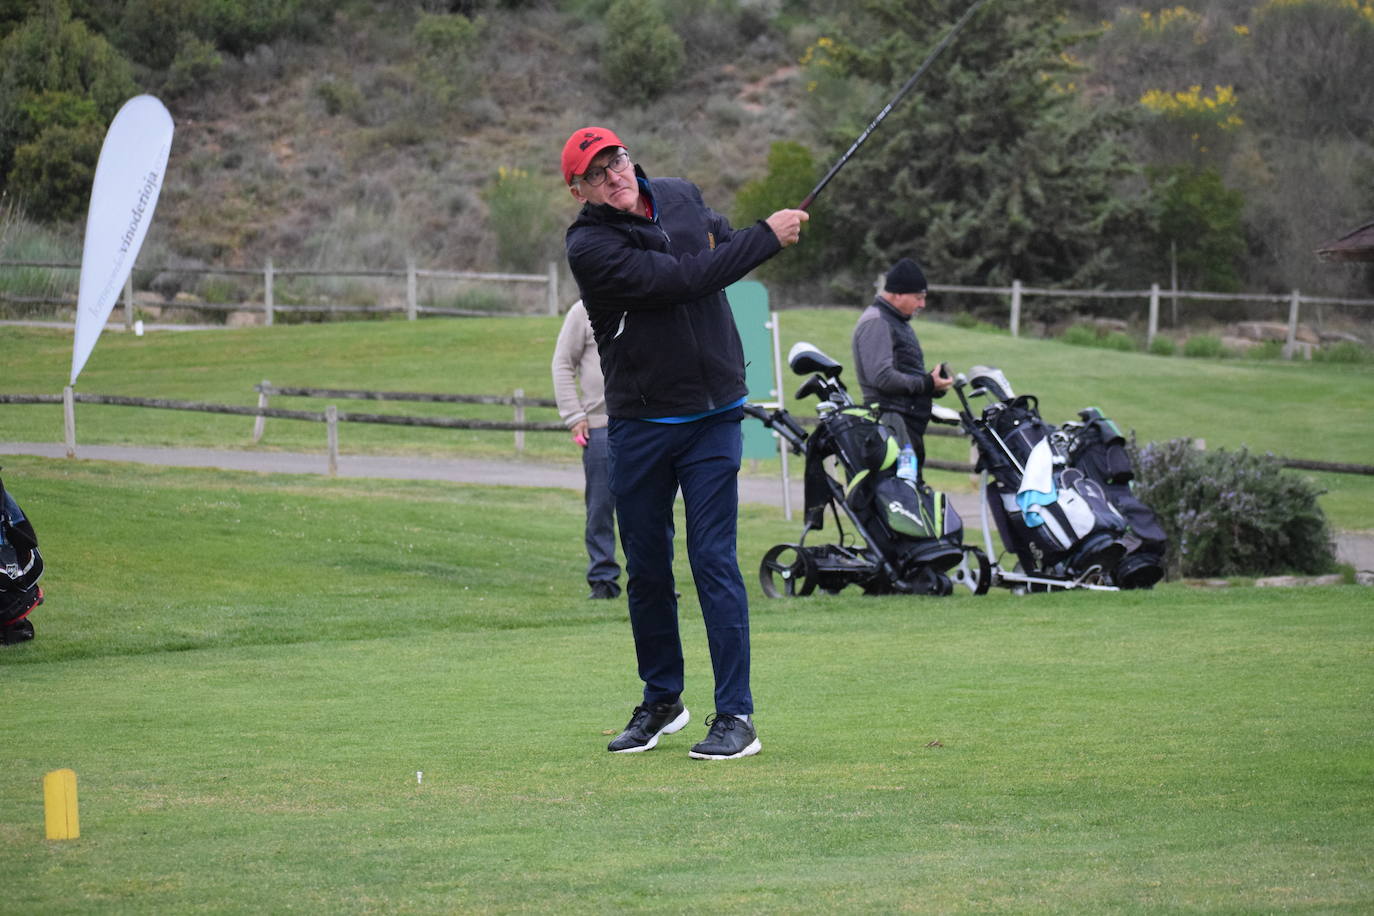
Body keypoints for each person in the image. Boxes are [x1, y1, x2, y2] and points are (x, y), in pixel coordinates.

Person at [560, 125, 807, 760]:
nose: (613, 175)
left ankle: (737, 715)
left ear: (628, 159)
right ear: (579, 189)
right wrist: (763, 240)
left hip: (714, 414)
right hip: (640, 422)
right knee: (645, 569)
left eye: (616, 160)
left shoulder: (679, 195)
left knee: (713, 559)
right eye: (597, 172)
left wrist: (743, 239)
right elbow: (681, 280)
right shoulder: (589, 245)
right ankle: (663, 700)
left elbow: (714, 240)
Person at [851, 256, 954, 481]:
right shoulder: (877, 322)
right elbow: (882, 378)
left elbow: (902, 374)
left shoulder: (893, 320)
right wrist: (927, 383)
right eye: (918, 298)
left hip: (903, 425)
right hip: (891, 426)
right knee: (902, 499)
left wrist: (932, 386)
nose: (922, 305)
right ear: (897, 294)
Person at [551, 298, 621, 600]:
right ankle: (603, 579)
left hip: (646, 422)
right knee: (601, 508)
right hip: (601, 425)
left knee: (651, 507)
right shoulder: (583, 311)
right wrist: (575, 415)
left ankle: (654, 578)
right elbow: (562, 363)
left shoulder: (648, 299)